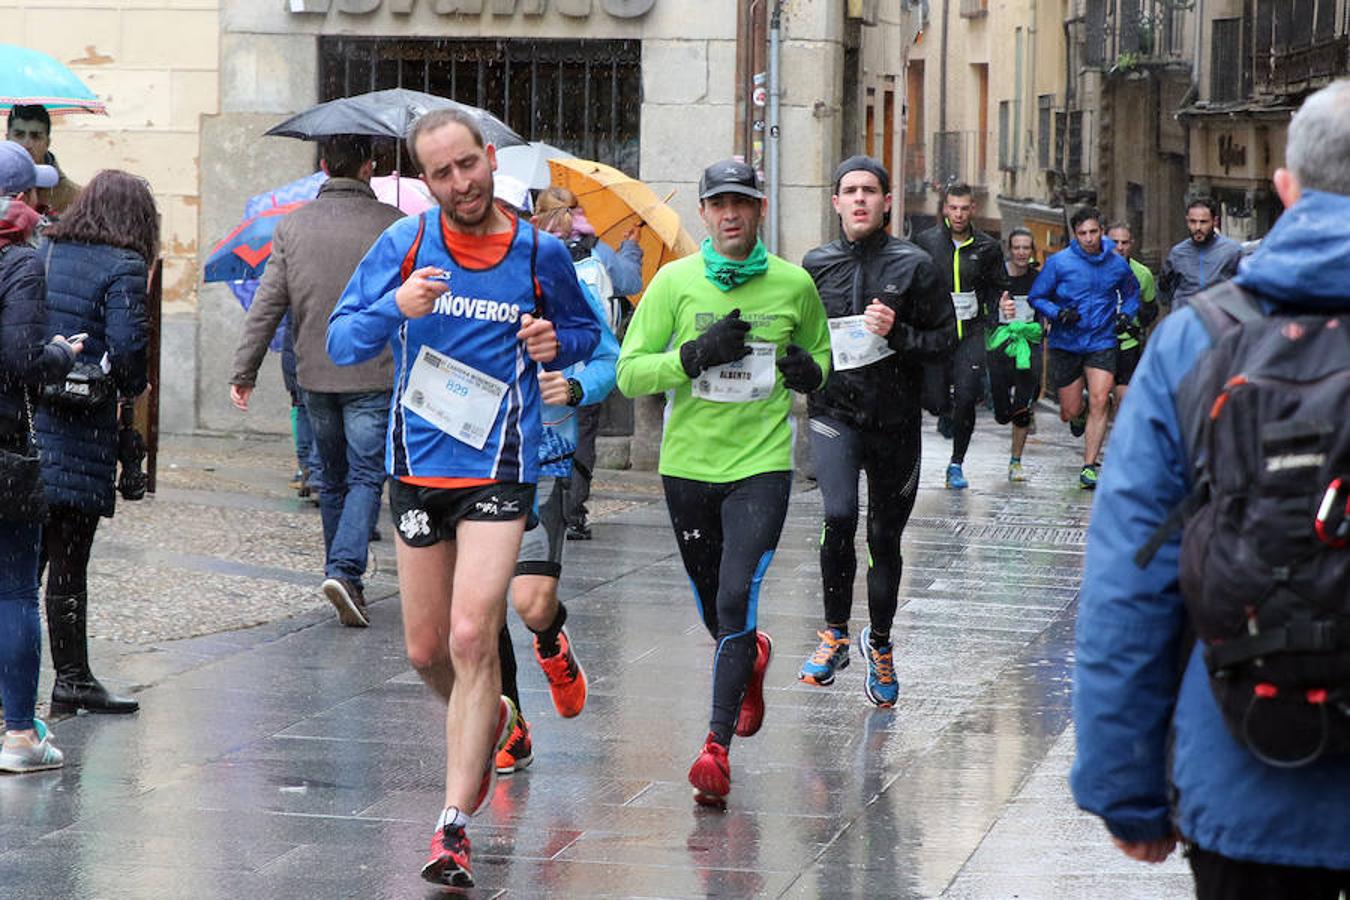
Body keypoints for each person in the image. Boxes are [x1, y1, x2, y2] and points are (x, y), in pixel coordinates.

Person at [1071, 79, 1350, 899]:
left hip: (1248, 773)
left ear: (1286, 188)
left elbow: (1131, 576)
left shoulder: (1196, 339)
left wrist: (1126, 787)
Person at [326, 108, 598, 888]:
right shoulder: (405, 245)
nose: (460, 183)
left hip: (501, 467)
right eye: (442, 173)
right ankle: (495, 718)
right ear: (425, 180)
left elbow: (586, 333)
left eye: (468, 165)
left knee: (473, 635)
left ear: (490, 159)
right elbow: (341, 341)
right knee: (425, 652)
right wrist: (396, 307)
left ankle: (452, 826)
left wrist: (556, 343)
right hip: (418, 467)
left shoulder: (541, 252)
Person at [616, 158, 832, 808]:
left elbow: (822, 355)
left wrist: (810, 373)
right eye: (719, 204)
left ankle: (715, 748)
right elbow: (628, 372)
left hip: (761, 467)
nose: (731, 214)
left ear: (760, 209)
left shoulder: (794, 284)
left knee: (738, 595)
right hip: (688, 469)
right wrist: (693, 356)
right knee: (717, 609)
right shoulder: (674, 282)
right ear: (704, 213)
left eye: (742, 202)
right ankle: (750, 658)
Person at [797, 156, 954, 704]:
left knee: (884, 538)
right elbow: (802, 338)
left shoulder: (915, 265)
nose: (860, 199)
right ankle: (834, 633)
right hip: (834, 414)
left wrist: (899, 333)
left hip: (895, 422)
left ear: (887, 202)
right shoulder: (815, 265)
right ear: (836, 202)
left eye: (870, 190)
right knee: (839, 515)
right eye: (850, 191)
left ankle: (880, 643)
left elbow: (946, 340)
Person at [230, 135, 403, 627]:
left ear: (325, 166)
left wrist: (244, 369)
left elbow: (268, 303)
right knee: (366, 475)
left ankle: (341, 575)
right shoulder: (393, 224)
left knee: (332, 477)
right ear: (369, 167)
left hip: (314, 372)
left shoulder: (293, 225)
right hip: (372, 371)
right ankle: (344, 572)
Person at [495, 203, 621, 775]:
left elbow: (608, 358)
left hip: (542, 459)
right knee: (480, 610)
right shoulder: (447, 285)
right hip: (470, 465)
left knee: (531, 602)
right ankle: (511, 726)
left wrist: (571, 388)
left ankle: (551, 640)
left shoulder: (554, 277)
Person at [33, 170, 154, 716]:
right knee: (68, 561)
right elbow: (128, 355)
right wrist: (131, 385)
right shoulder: (124, 265)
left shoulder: (46, 249)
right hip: (82, 433)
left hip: (31, 422)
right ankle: (73, 678)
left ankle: (23, 683)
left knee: (22, 567)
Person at [0, 140, 78, 772]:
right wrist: (60, 353)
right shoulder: (20, 262)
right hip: (3, 446)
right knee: (15, 591)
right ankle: (21, 735)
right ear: (23, 198)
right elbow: (21, 360)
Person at [534, 186, 644, 542]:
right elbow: (630, 281)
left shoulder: (530, 257)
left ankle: (558, 511)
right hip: (582, 377)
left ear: (535, 217)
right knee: (581, 441)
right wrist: (631, 248)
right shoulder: (597, 251)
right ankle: (573, 512)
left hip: (557, 384)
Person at [1027, 207, 1139, 489]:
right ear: (1074, 235)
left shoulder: (1116, 264)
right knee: (1069, 410)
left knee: (1101, 399)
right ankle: (1079, 411)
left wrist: (1126, 315)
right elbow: (1036, 296)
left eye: (1093, 232)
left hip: (1102, 339)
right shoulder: (1059, 262)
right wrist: (1058, 313)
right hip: (1066, 342)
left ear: (1101, 230)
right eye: (1082, 234)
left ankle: (1089, 466)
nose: (1089, 238)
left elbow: (1132, 293)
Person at [914, 182, 1009, 490]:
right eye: (953, 208)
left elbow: (998, 287)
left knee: (967, 397)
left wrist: (996, 311)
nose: (958, 214)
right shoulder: (926, 242)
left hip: (971, 334)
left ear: (973, 209)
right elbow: (912, 280)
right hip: (937, 334)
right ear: (945, 209)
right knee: (934, 401)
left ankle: (956, 463)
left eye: (964, 208)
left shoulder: (987, 247)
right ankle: (945, 411)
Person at [986, 227, 1044, 483]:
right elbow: (985, 308)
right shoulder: (996, 277)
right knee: (1002, 413)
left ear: (1032, 251)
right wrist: (997, 308)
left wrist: (1044, 324)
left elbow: (1045, 306)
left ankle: (1015, 462)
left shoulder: (1038, 279)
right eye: (1017, 247)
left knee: (1022, 406)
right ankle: (1004, 410)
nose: (1021, 252)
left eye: (1026, 247)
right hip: (1001, 343)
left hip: (1028, 345)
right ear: (1009, 249)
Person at [1104, 222, 1159, 407]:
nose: (1120, 247)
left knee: (1124, 401)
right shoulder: (1092, 269)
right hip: (1098, 343)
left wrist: (1136, 319)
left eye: (1124, 242)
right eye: (1115, 242)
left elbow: (1151, 310)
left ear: (1131, 244)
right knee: (1099, 400)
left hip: (1128, 343)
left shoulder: (1143, 274)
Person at [1159, 196, 1242, 311]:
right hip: (1186, 316)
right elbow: (1164, 287)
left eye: (1203, 222)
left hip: (1219, 317)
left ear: (1215, 221)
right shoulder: (1177, 253)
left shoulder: (1232, 251)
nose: (1197, 227)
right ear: (1187, 221)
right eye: (1193, 222)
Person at [6, 106, 82, 217]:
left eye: (35, 136)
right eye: (19, 135)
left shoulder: (74, 198)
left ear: (47, 143)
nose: (26, 144)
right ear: (7, 138)